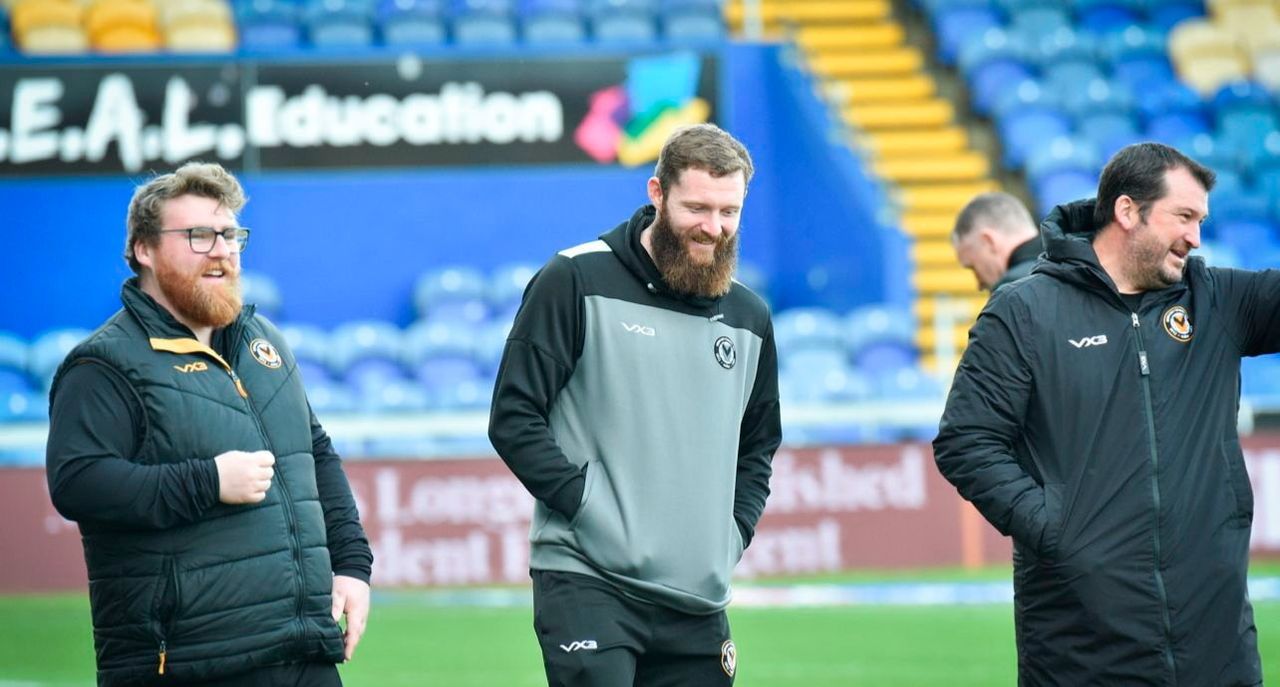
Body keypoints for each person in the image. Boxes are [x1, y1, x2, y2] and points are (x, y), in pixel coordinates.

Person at [934, 142, 1277, 685]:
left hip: (1216, 646)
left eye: (1201, 220)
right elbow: (966, 441)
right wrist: (1057, 530)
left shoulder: (1216, 301)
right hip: (1082, 650)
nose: (1196, 237)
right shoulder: (1024, 310)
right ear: (1126, 211)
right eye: (1184, 217)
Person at [45, 162, 373, 687]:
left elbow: (313, 453)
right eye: (199, 235)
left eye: (230, 235)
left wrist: (353, 567)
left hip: (303, 649)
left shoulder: (260, 340)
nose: (221, 250)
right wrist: (208, 482)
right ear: (143, 250)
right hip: (188, 663)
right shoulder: (105, 364)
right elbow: (78, 483)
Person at [488, 123, 781, 686]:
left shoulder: (750, 318)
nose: (713, 228)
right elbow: (514, 417)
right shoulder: (573, 278)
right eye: (697, 208)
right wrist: (589, 506)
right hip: (588, 579)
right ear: (657, 194)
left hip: (698, 594)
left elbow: (759, 444)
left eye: (729, 213)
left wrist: (731, 533)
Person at [951, 191, 1042, 292]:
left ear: (989, 242)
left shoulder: (1012, 291)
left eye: (974, 268)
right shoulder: (1059, 261)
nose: (979, 285)